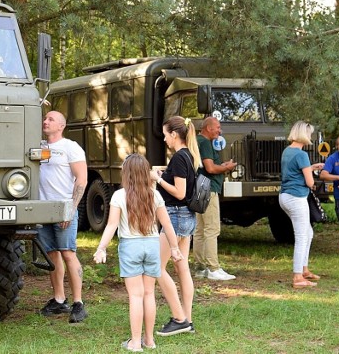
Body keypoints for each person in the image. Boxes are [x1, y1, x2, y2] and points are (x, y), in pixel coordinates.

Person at [93, 154, 183, 352]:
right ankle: (149, 340)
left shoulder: (119, 196)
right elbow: (167, 224)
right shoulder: (155, 195)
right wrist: (175, 248)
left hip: (130, 247)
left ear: (126, 173)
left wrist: (101, 249)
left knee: (136, 295)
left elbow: (111, 225)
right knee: (149, 293)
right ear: (145, 173)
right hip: (152, 245)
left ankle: (135, 342)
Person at [150, 116, 200, 335]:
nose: (164, 139)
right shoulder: (188, 155)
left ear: (174, 134)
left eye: (165, 134)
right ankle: (187, 319)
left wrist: (158, 179)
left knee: (156, 267)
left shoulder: (179, 157)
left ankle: (179, 318)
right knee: (182, 268)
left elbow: (179, 193)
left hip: (176, 216)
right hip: (187, 217)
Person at [37, 110, 89, 323]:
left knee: (68, 253)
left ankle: (78, 304)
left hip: (63, 208)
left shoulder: (70, 147)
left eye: (51, 119)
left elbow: (82, 179)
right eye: (45, 118)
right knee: (52, 255)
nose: (45, 121)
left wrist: (71, 208)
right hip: (42, 209)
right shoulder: (38, 147)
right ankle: (59, 299)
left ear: (61, 126)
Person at [278, 121, 325, 289]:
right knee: (301, 236)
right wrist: (311, 172)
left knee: (308, 232)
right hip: (296, 198)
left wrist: (310, 167)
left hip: (284, 196)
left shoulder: (287, 151)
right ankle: (298, 277)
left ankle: (304, 269)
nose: (311, 137)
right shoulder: (302, 155)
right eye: (310, 133)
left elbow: (294, 170)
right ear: (304, 135)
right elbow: (310, 181)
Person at [193, 117, 238, 280]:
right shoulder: (204, 142)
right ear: (208, 128)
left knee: (199, 229)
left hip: (198, 187)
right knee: (212, 229)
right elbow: (210, 168)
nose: (220, 131)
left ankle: (200, 268)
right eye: (217, 127)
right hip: (209, 188)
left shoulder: (196, 140)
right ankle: (213, 268)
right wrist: (226, 167)